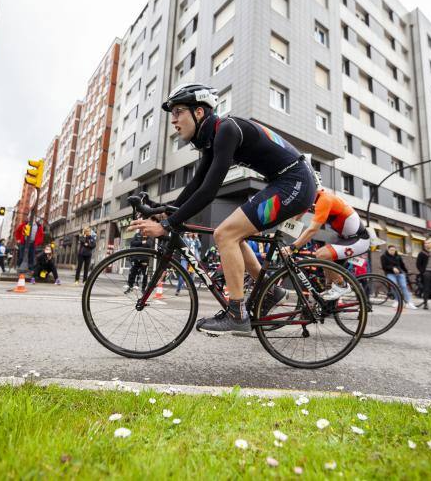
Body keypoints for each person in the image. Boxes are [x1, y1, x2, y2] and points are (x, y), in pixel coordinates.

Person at [129, 82, 316, 335]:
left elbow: (209, 191)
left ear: (199, 112)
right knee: (230, 234)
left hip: (295, 182)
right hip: (285, 182)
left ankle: (237, 315)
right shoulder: (212, 137)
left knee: (225, 233)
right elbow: (197, 184)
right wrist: (167, 210)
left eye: (178, 112)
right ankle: (272, 291)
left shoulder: (227, 129)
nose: (173, 121)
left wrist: (166, 226)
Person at [286, 188, 370, 301]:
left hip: (359, 239)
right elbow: (296, 217)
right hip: (345, 239)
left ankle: (342, 285)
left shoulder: (324, 199)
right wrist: (280, 233)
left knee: (322, 254)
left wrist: (292, 247)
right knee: (326, 274)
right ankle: (327, 306)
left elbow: (312, 230)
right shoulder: (313, 199)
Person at [380, 245, 417, 309]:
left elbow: (402, 265)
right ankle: (397, 301)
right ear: (388, 250)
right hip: (390, 273)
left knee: (404, 286)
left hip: (400, 273)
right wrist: (392, 268)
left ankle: (409, 302)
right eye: (391, 250)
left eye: (394, 250)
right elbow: (384, 266)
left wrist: (406, 271)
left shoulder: (398, 256)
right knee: (394, 285)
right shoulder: (383, 256)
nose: (392, 251)